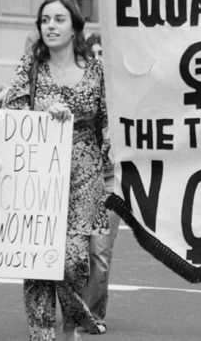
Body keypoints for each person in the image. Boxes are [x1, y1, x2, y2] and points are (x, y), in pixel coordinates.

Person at [3, 0, 107, 341]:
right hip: (38, 173)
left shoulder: (95, 70)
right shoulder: (29, 68)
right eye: (45, 19)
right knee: (36, 262)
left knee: (74, 261)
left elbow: (109, 122)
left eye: (59, 19)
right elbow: (10, 116)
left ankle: (71, 325)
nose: (50, 25)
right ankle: (42, 337)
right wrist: (43, 117)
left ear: (75, 26)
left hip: (84, 174)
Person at [82, 31, 117, 331]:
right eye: (92, 54)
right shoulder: (78, 92)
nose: (97, 60)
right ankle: (76, 306)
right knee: (76, 252)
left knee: (100, 252)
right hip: (78, 178)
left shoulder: (127, 96)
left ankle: (93, 315)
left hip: (112, 179)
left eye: (103, 54)